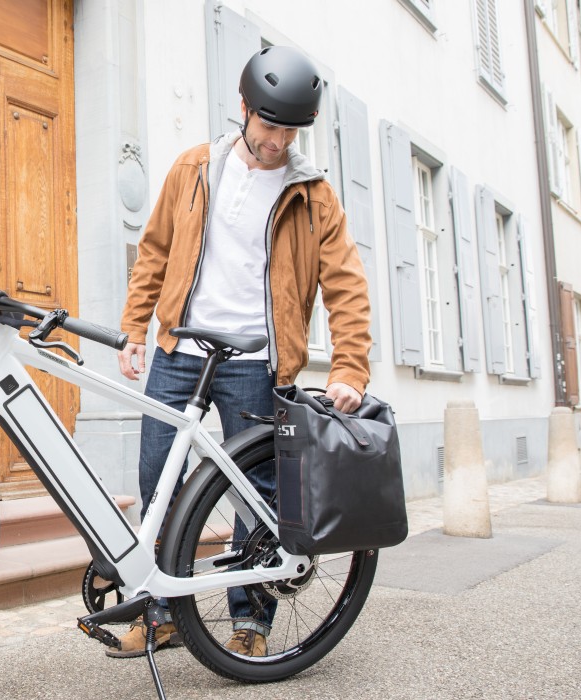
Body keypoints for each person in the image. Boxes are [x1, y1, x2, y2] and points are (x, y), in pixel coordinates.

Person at [107, 46, 372, 659]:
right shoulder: (195, 168)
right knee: (158, 483)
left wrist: (351, 367)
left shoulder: (314, 196)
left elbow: (346, 284)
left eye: (291, 129)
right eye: (269, 124)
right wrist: (134, 328)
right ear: (245, 108)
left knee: (256, 492)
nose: (278, 140)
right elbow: (154, 251)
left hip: (257, 362)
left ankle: (250, 620)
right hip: (181, 352)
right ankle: (163, 613)